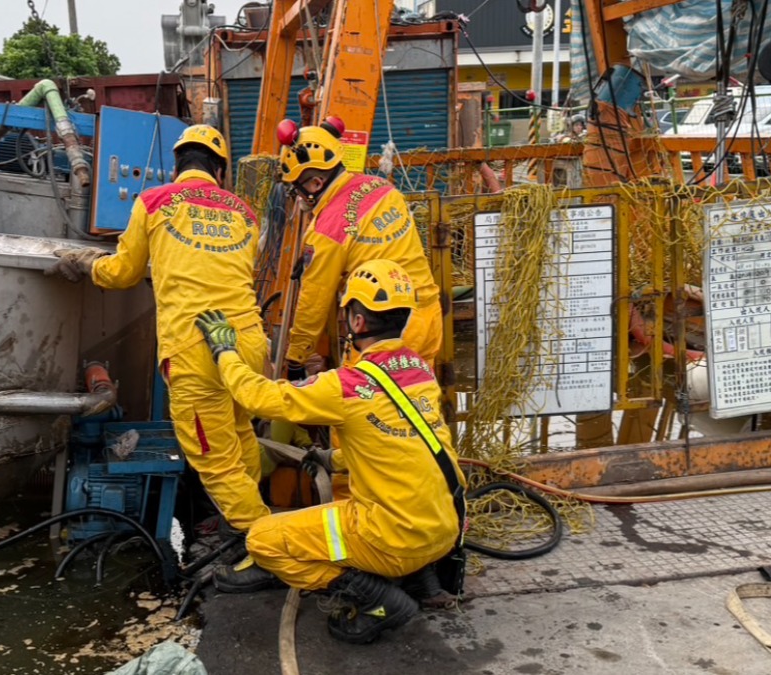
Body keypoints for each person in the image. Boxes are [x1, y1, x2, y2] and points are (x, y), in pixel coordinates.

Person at [194, 259, 465, 644]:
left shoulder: (347, 385)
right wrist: (330, 460)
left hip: (392, 537)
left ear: (356, 322)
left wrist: (225, 352)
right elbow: (397, 444)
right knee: (393, 509)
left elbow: (259, 397)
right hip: (444, 529)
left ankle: (378, 597)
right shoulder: (419, 371)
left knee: (263, 540)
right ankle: (421, 579)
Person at [47, 124, 272, 559]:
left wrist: (85, 263)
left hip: (196, 348)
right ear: (220, 171)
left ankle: (265, 547)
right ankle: (252, 516)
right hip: (246, 340)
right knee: (241, 432)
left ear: (176, 165)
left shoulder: (154, 200)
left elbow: (124, 272)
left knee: (214, 457)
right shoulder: (245, 212)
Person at [276, 116, 442, 377]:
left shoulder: (327, 230)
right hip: (427, 314)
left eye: (297, 189)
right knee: (417, 398)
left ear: (316, 184)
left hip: (383, 331)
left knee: (365, 409)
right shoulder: (382, 188)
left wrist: (297, 357)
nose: (297, 197)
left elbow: (314, 302)